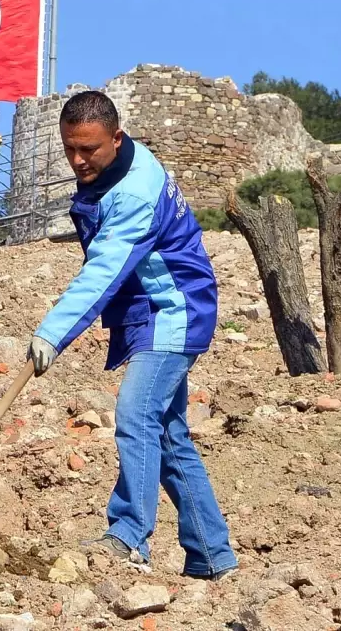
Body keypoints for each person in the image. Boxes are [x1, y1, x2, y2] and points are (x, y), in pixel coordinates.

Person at [27, 91, 237, 580]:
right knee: (167, 434)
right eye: (70, 149)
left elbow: (104, 270)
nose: (78, 161)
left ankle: (128, 537)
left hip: (176, 311)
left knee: (136, 412)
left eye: (90, 150)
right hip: (153, 309)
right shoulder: (118, 165)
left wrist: (52, 334)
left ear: (116, 139)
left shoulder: (135, 194)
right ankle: (211, 554)